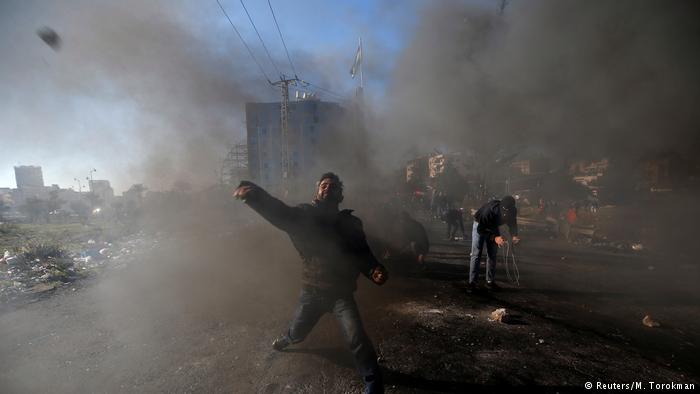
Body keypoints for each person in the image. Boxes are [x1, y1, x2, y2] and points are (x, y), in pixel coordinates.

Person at [233, 173, 387, 394]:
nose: (328, 188)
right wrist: (255, 196)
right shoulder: (306, 215)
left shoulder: (351, 223)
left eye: (333, 186)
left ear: (340, 194)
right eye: (323, 185)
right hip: (312, 293)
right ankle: (288, 339)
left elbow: (362, 254)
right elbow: (282, 213)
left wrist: (374, 270)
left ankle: (373, 384)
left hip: (341, 295)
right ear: (317, 192)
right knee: (298, 331)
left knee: (357, 337)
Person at [467, 195, 520, 292]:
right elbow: (481, 230)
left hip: (494, 226)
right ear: (501, 207)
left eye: (508, 212)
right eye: (504, 212)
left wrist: (514, 235)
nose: (505, 214)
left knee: (492, 254)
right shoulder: (490, 210)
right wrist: (494, 237)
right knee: (476, 254)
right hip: (481, 225)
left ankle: (490, 282)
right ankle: (472, 283)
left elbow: (513, 223)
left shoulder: (513, 210)